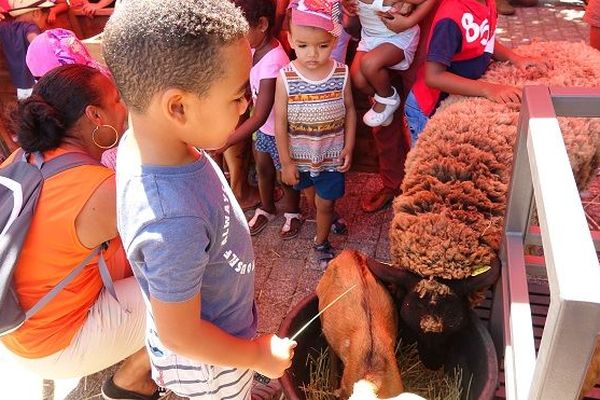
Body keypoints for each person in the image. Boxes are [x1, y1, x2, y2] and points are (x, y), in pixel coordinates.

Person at [102, 0, 296, 399]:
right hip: (208, 368)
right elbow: (182, 335)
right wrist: (256, 357)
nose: (247, 106)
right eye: (238, 95)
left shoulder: (156, 141)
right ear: (179, 107)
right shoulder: (171, 223)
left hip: (218, 333)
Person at [0, 65, 159, 400]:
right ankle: (132, 379)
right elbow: (160, 242)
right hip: (52, 346)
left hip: (16, 331)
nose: (124, 106)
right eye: (117, 98)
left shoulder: (22, 156)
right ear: (94, 115)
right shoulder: (100, 190)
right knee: (189, 294)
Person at [275, 0, 356, 266]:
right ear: (290, 40)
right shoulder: (286, 77)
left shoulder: (341, 73)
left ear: (334, 40)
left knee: (325, 203)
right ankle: (326, 215)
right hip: (301, 157)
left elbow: (351, 110)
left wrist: (349, 146)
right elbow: (281, 121)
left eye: (322, 46)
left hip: (331, 156)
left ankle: (320, 242)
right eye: (303, 46)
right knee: (311, 194)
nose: (312, 54)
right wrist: (285, 162)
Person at [403, 0, 542, 145]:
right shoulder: (450, 17)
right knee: (429, 159)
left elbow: (484, 38)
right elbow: (433, 77)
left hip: (454, 100)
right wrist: (488, 89)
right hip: (427, 108)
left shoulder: (487, 3)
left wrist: (516, 58)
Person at [218, 0, 291, 235]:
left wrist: (227, 140)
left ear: (261, 24)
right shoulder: (253, 49)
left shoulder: (273, 62)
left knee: (285, 175)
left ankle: (292, 212)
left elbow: (260, 116)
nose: (237, 36)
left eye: (241, 30)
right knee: (263, 169)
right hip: (263, 131)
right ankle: (268, 207)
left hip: (279, 131)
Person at [344, 0, 428, 127]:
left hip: (398, 38)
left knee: (369, 64)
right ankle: (386, 98)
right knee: (358, 79)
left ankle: (388, 99)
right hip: (370, 38)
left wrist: (410, 21)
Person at [0, 0, 69, 99]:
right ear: (36, 13)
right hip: (35, 84)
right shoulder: (31, 27)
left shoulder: (5, 28)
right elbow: (37, 43)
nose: (44, 24)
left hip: (20, 85)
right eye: (45, 19)